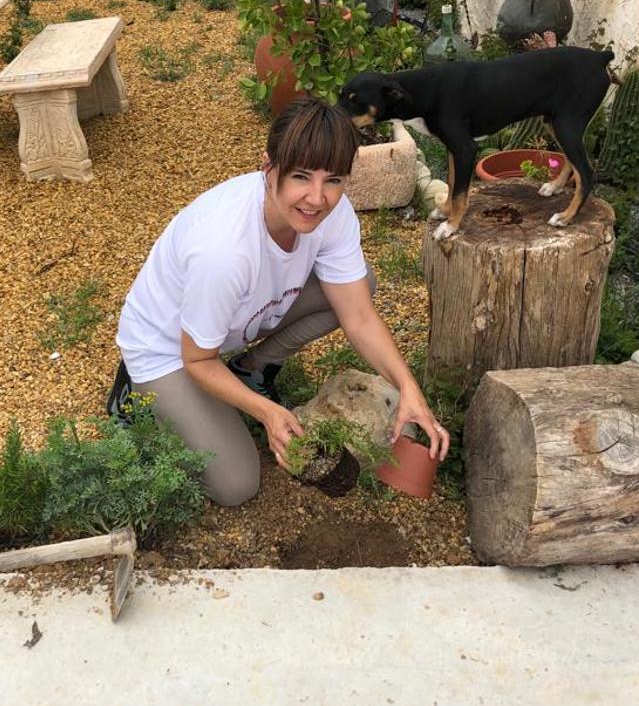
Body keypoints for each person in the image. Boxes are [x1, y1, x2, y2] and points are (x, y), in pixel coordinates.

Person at [108, 99, 449, 507]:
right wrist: (266, 413)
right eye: (301, 177)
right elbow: (197, 358)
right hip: (171, 350)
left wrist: (408, 388)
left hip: (237, 319)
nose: (316, 198)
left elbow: (358, 316)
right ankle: (135, 391)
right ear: (268, 167)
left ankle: (249, 371)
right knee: (236, 484)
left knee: (358, 287)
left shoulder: (332, 214)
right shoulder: (224, 250)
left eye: (334, 180)